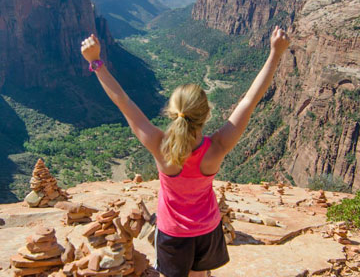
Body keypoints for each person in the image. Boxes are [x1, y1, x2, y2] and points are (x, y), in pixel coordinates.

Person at [81, 26, 290, 277]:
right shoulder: (217, 147)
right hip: (207, 230)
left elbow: (123, 101)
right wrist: (275, 53)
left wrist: (96, 62)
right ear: (206, 114)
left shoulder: (160, 147)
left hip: (173, 235)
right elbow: (249, 100)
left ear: (172, 111)